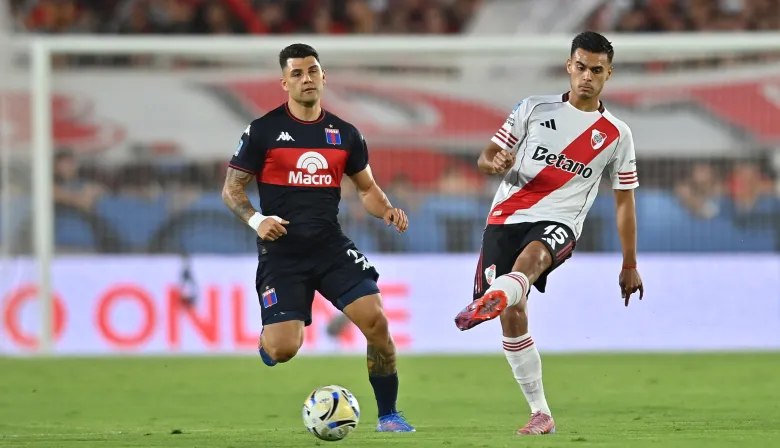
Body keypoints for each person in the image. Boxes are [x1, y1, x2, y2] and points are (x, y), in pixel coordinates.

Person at [454, 31, 645, 436]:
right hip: (504, 219)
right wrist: (497, 162)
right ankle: (541, 413)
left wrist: (629, 262)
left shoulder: (616, 134)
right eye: (581, 67)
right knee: (513, 313)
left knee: (533, 259)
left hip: (560, 222)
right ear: (569, 66)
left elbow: (624, 201)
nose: (587, 77)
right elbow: (486, 157)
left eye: (596, 70)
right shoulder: (532, 108)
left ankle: (501, 292)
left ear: (609, 74)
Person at [221, 43, 415, 433]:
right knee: (283, 349)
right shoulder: (262, 131)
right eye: (297, 73)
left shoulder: (344, 134)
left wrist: (387, 209)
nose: (306, 78)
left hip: (330, 246)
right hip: (282, 254)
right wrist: (257, 220)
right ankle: (268, 341)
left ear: (323, 77)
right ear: (284, 82)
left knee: (376, 322)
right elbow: (232, 190)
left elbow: (366, 188)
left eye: (312, 71)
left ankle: (389, 415)